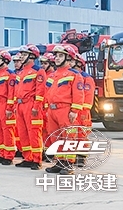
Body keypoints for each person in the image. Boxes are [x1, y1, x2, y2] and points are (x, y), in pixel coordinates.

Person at [45, 45, 84, 175]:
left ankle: (69, 163)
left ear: (68, 58)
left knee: (68, 136)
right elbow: (47, 92)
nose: (57, 58)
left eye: (60, 56)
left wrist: (74, 110)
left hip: (65, 110)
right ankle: (60, 161)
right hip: (52, 110)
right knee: (55, 136)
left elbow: (79, 94)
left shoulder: (74, 74)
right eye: (56, 56)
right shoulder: (53, 75)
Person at [14, 45, 45, 170]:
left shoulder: (38, 71)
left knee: (33, 132)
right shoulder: (21, 72)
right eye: (21, 54)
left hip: (31, 105)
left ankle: (37, 160)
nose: (21, 56)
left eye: (24, 54)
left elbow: (40, 91)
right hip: (20, 105)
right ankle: (27, 158)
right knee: (23, 133)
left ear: (32, 56)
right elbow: (17, 90)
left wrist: (36, 106)